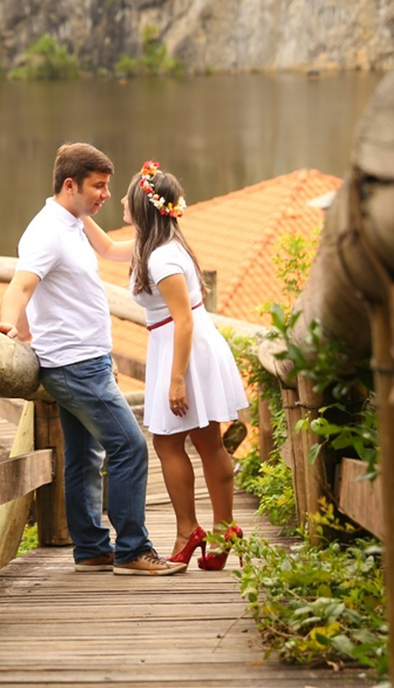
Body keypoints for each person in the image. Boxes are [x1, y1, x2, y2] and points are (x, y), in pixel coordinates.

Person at [0, 143, 185, 577]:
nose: (105, 194)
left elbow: (113, 253)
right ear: (70, 185)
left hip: (87, 359)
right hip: (73, 364)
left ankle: (91, 548)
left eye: (106, 186)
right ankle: (133, 550)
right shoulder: (48, 231)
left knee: (84, 455)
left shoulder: (75, 223)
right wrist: (11, 327)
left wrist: (165, 219)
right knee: (129, 445)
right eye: (98, 186)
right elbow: (21, 285)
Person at [118, 160, 249, 569]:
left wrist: (177, 381)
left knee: (168, 442)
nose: (119, 199)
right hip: (184, 346)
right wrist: (69, 209)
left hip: (183, 350)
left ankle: (187, 529)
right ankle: (223, 530)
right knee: (207, 442)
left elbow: (185, 320)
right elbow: (105, 248)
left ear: (142, 206)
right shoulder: (162, 245)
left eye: (126, 194)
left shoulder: (161, 259)